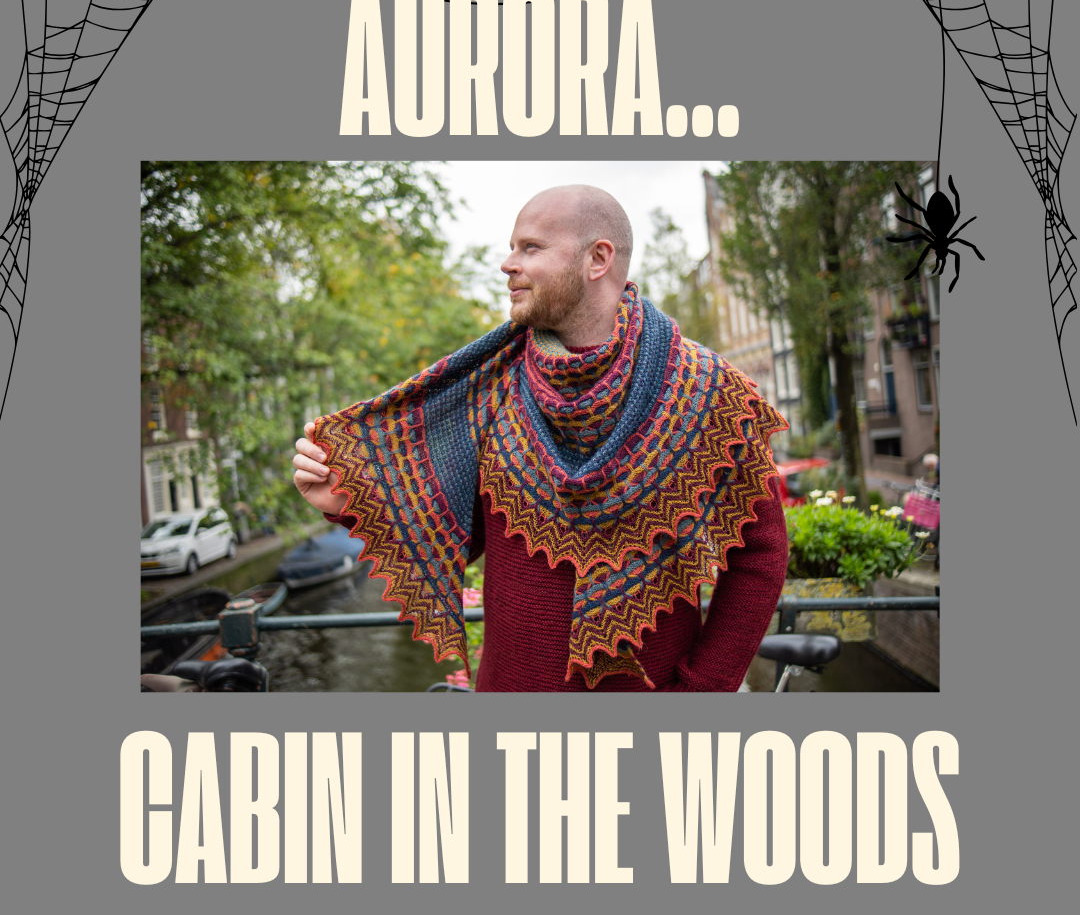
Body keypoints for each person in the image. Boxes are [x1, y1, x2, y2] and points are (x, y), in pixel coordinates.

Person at [293, 185, 789, 691]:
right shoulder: (490, 385)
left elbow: (760, 556)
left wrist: (701, 691)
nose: (508, 264)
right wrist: (348, 501)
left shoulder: (706, 392)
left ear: (598, 259)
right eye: (512, 247)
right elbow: (458, 537)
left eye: (530, 247)